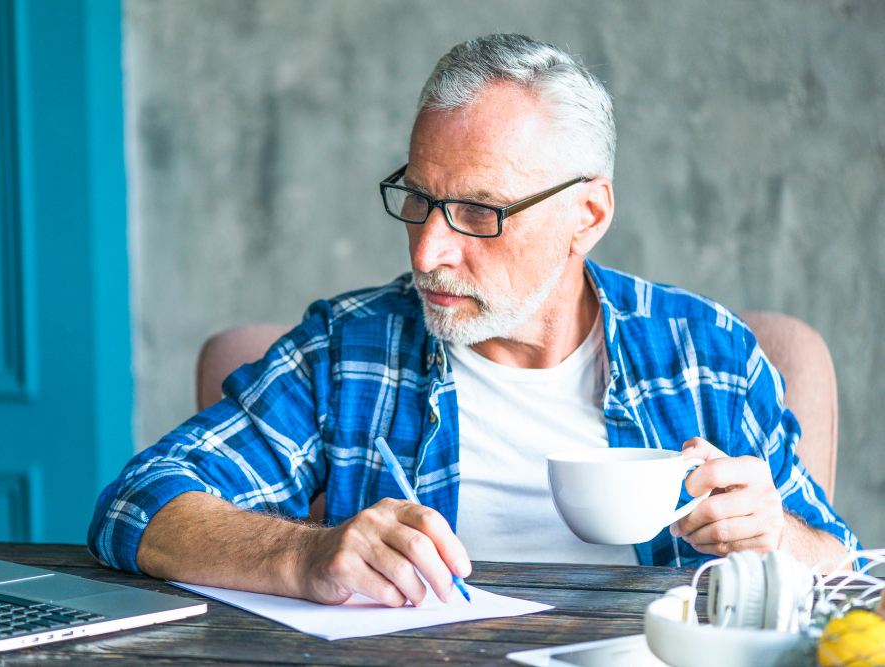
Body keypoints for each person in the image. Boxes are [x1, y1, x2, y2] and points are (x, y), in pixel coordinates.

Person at [89, 34, 860, 608]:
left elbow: (853, 577)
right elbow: (138, 501)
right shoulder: (349, 349)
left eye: (480, 211)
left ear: (587, 215)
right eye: (419, 198)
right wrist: (306, 554)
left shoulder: (706, 354)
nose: (428, 250)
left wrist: (778, 538)